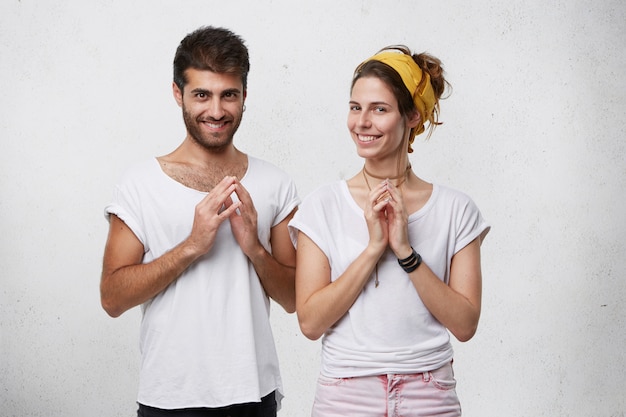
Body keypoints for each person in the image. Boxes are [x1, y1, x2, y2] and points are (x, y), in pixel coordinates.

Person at [100, 26, 299, 417]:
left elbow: (294, 299)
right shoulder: (140, 183)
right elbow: (112, 298)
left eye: (230, 95)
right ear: (178, 94)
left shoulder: (276, 183)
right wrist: (192, 245)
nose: (217, 110)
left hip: (253, 395)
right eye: (202, 95)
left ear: (245, 96)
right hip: (170, 397)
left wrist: (254, 249)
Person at [289, 45, 490, 416]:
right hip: (346, 394)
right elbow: (310, 322)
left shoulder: (456, 210)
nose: (361, 122)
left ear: (412, 116)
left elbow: (464, 325)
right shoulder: (323, 205)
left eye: (379, 109)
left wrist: (405, 252)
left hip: (429, 391)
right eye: (355, 107)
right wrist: (373, 248)